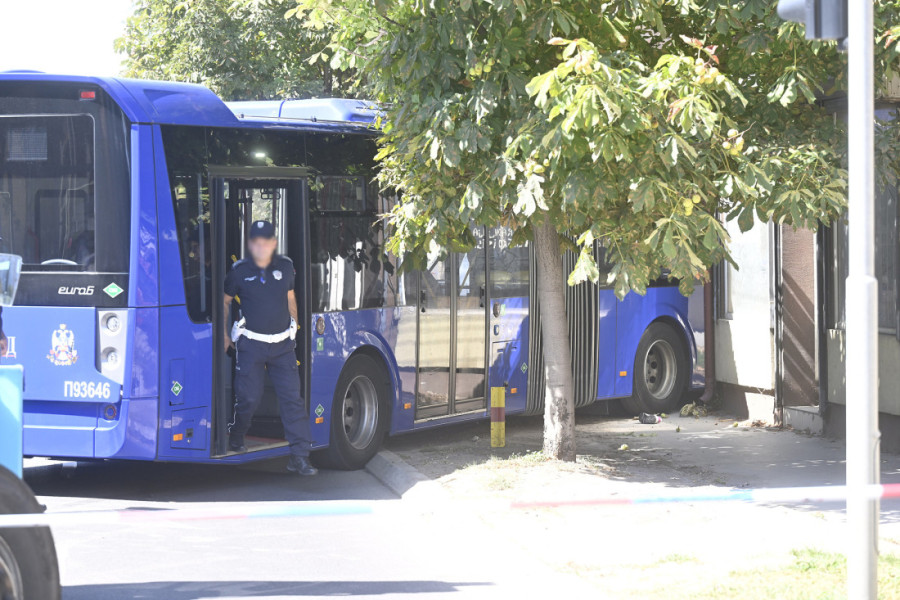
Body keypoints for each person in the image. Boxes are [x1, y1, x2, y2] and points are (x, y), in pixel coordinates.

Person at [223, 220, 317, 477]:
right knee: (249, 397)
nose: (261, 246)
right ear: (250, 244)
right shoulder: (239, 271)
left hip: (282, 346)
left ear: (273, 243)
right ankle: (237, 434)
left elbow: (290, 296)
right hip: (251, 344)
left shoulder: (285, 266)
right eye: (256, 242)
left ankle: (299, 457)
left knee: (292, 400)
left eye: (265, 242)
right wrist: (224, 335)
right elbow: (225, 301)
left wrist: (295, 325)